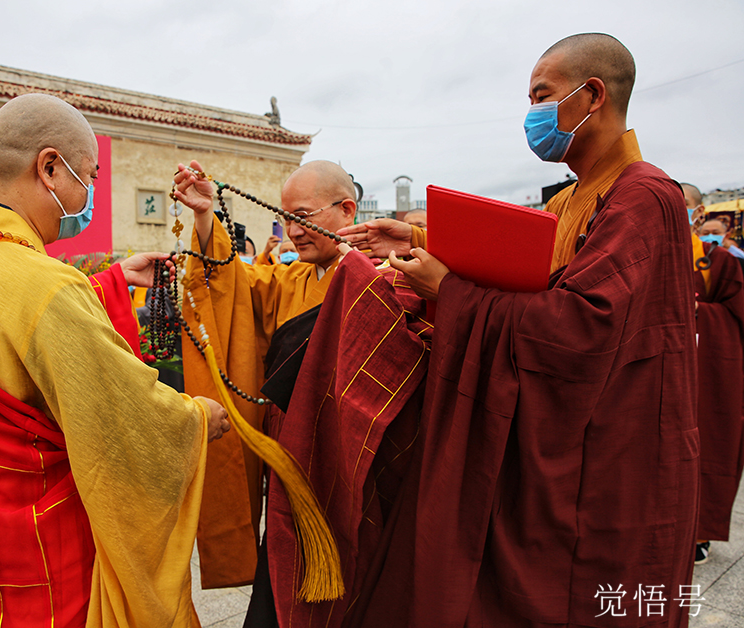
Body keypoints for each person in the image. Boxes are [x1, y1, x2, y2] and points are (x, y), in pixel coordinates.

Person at [339, 33, 698, 626]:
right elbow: (518, 263)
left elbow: (582, 326)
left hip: (612, 452)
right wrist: (419, 241)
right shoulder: (571, 201)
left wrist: (448, 293)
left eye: (542, 96)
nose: (532, 115)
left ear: (594, 95)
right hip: (565, 441)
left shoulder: (645, 196)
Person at [0, 93, 229, 628]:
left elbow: (18, 328)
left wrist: (111, 279)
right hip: (47, 551)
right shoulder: (44, 285)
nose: (89, 193)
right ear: (49, 168)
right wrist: (198, 418)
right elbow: (126, 418)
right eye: (88, 176)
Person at [169, 159, 357, 597]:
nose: (292, 230)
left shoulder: (388, 277)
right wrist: (204, 216)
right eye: (286, 218)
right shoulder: (291, 278)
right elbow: (230, 285)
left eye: (303, 217)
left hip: (349, 458)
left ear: (347, 210)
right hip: (289, 459)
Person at [685, 186, 744, 566]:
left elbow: (736, 316)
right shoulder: (644, 255)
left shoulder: (718, 260)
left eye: (681, 207)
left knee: (707, 442)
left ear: (699, 212)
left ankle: (699, 531)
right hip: (653, 369)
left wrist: (692, 313)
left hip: (705, 368)